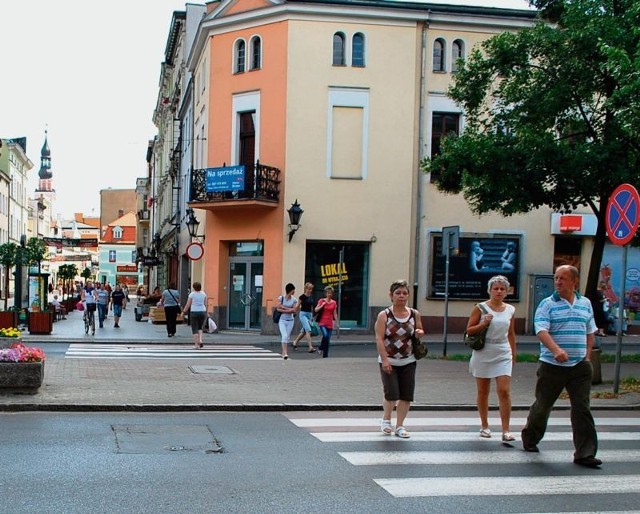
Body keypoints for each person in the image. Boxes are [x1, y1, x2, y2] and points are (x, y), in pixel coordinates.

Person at [521, 265, 601, 468]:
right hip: (552, 365)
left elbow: (590, 330)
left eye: (563, 278)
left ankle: (585, 452)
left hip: (580, 366)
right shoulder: (547, 304)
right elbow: (541, 330)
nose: (558, 282)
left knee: (582, 407)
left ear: (574, 282)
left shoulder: (585, 303)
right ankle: (530, 437)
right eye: (556, 278)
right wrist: (556, 350)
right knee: (543, 404)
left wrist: (588, 355)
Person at [466, 275, 517, 441]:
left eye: (502, 289)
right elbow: (469, 331)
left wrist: (513, 354)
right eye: (496, 288)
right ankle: (485, 426)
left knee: (504, 390)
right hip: (484, 351)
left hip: (503, 351)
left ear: (507, 291)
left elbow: (511, 333)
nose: (499, 291)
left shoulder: (510, 310)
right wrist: (483, 324)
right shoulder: (480, 308)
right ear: (490, 290)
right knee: (483, 391)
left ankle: (506, 430)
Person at [375, 279, 424, 439]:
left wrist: (419, 333)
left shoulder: (414, 314)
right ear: (391, 295)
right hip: (389, 359)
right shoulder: (385, 315)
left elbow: (418, 332)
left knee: (406, 395)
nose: (401, 296)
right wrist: (385, 360)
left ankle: (400, 426)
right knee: (391, 393)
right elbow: (379, 339)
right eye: (398, 293)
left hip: (408, 359)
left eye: (404, 293)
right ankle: (386, 419)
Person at [275, 283, 298, 360]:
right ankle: (285, 353)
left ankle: (283, 352)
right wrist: (289, 309)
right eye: (293, 290)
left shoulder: (294, 300)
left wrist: (284, 308)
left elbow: (294, 311)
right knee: (284, 336)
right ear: (290, 290)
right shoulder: (281, 298)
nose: (294, 292)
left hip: (290, 320)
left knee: (287, 337)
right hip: (282, 320)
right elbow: (278, 308)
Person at [181, 282, 208, 348]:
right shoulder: (204, 294)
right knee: (200, 327)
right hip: (202, 311)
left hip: (194, 312)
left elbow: (188, 304)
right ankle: (200, 340)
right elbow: (206, 304)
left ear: (194, 287)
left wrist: (183, 312)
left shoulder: (192, 294)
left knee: (194, 328)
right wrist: (206, 312)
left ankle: (196, 345)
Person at [315, 285, 338, 358]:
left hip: (329, 322)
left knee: (327, 339)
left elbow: (335, 313)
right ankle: (321, 348)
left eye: (331, 293)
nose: (329, 294)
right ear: (326, 293)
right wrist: (322, 305)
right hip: (322, 322)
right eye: (328, 293)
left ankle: (325, 355)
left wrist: (337, 322)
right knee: (325, 335)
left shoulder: (334, 303)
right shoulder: (321, 301)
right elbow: (316, 310)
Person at [292, 282, 316, 353]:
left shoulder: (311, 296)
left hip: (309, 315)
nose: (310, 290)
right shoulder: (302, 297)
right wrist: (293, 312)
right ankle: (310, 347)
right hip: (303, 314)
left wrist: (312, 316)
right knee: (308, 329)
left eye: (311, 289)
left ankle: (295, 342)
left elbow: (312, 307)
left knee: (304, 331)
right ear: (305, 288)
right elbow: (298, 306)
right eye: (308, 289)